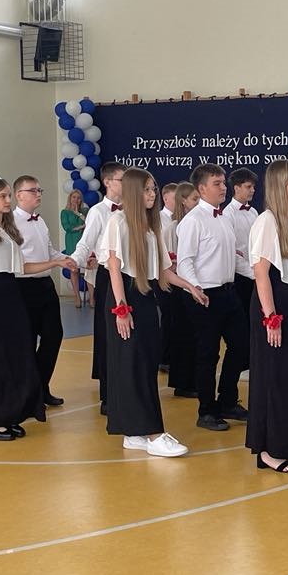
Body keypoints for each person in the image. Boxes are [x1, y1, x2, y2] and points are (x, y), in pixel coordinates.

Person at [98, 168, 207, 457]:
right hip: (125, 297)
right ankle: (152, 432)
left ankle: (134, 432)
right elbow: (114, 268)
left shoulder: (151, 225)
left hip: (145, 297)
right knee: (131, 365)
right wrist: (121, 309)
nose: (152, 194)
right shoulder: (118, 222)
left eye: (153, 189)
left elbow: (163, 270)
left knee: (145, 365)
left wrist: (190, 286)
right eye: (146, 189)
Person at [0, 177, 70, 440]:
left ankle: (9, 413)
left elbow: (22, 267)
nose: (8, 200)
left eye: (9, 195)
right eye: (2, 196)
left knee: (14, 355)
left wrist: (55, 264)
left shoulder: (7, 231)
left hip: (11, 293)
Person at [246, 160, 288, 473]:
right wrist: (271, 317)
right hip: (276, 304)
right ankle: (268, 450)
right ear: (279, 184)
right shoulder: (267, 222)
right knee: (274, 377)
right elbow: (261, 272)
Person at [175, 163, 250, 431]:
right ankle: (206, 410)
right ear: (202, 188)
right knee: (208, 354)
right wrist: (195, 288)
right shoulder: (192, 221)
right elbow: (185, 261)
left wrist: (260, 274)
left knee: (242, 346)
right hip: (204, 295)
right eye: (217, 183)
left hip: (229, 293)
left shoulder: (224, 218)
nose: (223, 187)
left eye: (223, 182)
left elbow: (235, 259)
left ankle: (228, 400)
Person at [69, 162, 125, 412]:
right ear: (108, 182)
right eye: (121, 180)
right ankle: (108, 394)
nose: (125, 184)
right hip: (107, 274)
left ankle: (126, 388)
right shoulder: (98, 212)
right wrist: (75, 261)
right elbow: (86, 242)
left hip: (129, 275)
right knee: (107, 333)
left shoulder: (132, 210)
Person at [13, 175, 68, 407]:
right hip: (23, 287)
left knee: (54, 335)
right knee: (26, 341)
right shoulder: (11, 223)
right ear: (19, 195)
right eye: (33, 190)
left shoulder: (40, 221)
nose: (38, 194)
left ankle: (41, 386)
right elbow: (18, 263)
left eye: (39, 190)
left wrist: (69, 260)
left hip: (45, 285)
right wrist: (54, 263)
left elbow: (49, 251)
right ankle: (27, 393)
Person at [223, 168, 259, 382]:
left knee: (254, 320)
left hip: (255, 274)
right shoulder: (227, 215)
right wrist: (253, 274)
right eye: (248, 187)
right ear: (236, 188)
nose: (252, 190)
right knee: (242, 323)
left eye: (253, 186)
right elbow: (233, 254)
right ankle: (243, 364)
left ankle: (252, 361)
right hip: (240, 276)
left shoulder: (253, 213)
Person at [164, 182, 199, 398]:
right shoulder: (173, 228)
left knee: (194, 334)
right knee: (183, 333)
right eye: (195, 199)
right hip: (179, 285)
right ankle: (183, 381)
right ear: (184, 201)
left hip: (194, 284)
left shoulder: (200, 222)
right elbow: (167, 259)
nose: (198, 203)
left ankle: (193, 378)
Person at [157, 182, 179, 371]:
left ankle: (173, 355)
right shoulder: (158, 220)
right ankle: (164, 357)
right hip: (164, 274)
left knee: (176, 316)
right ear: (165, 198)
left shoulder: (180, 220)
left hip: (178, 273)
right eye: (175, 197)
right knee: (168, 315)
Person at [61, 189, 88, 308]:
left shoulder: (85, 211)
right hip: (72, 241)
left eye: (78, 197)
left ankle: (92, 297)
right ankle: (77, 297)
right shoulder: (65, 212)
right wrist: (81, 226)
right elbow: (67, 227)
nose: (76, 200)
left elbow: (88, 223)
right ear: (70, 198)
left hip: (84, 241)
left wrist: (78, 214)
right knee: (74, 269)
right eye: (74, 197)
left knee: (89, 270)